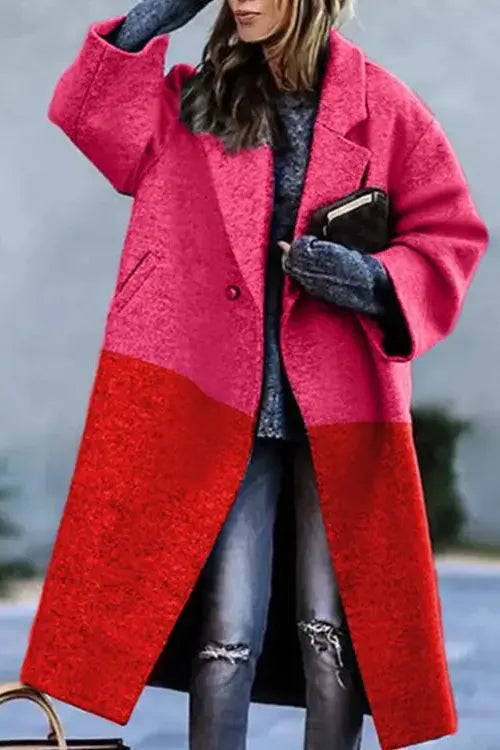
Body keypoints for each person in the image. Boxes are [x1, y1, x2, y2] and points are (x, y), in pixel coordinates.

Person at [20, 1, 488, 749]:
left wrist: (370, 279)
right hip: (218, 406)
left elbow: (450, 236)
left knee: (328, 633)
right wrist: (155, 13)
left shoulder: (386, 108)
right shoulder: (196, 101)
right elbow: (88, 113)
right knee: (226, 633)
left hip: (339, 409)